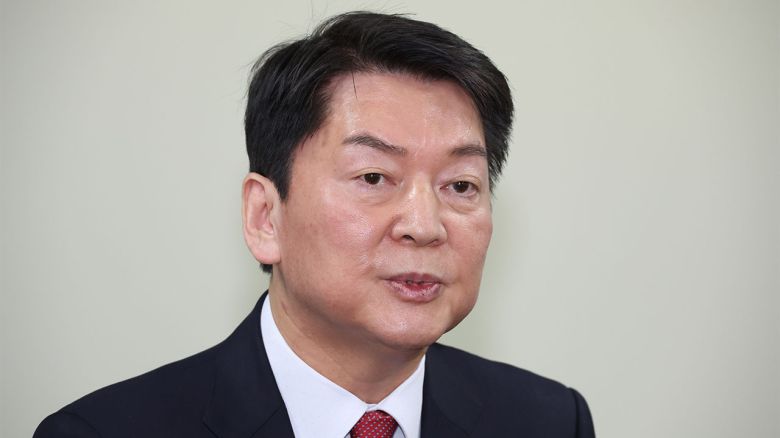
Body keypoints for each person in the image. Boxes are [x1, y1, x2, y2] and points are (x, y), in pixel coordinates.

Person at [35, 11, 595, 438]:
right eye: (374, 177)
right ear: (265, 216)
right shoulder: (100, 432)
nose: (424, 225)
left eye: (461, 186)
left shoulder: (548, 421)